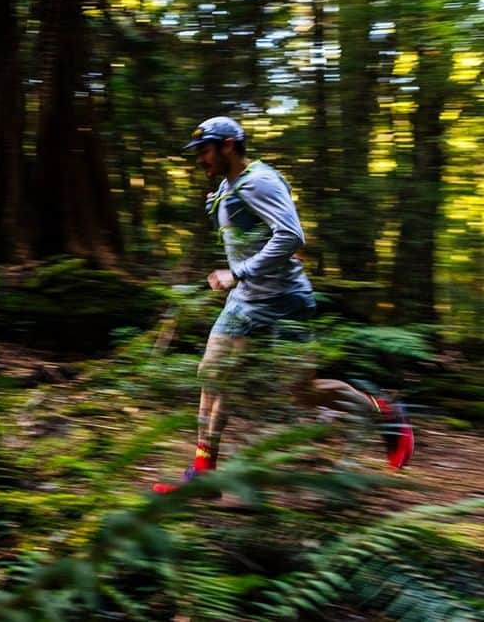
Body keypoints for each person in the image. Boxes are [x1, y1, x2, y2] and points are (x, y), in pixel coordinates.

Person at [153, 116, 414, 494]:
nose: (200, 161)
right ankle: (203, 473)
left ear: (228, 146)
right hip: (246, 301)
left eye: (205, 151)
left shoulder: (260, 181)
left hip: (286, 301)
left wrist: (237, 272)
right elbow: (248, 234)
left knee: (302, 391)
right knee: (212, 374)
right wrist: (220, 213)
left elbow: (291, 235)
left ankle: (386, 414)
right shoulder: (228, 186)